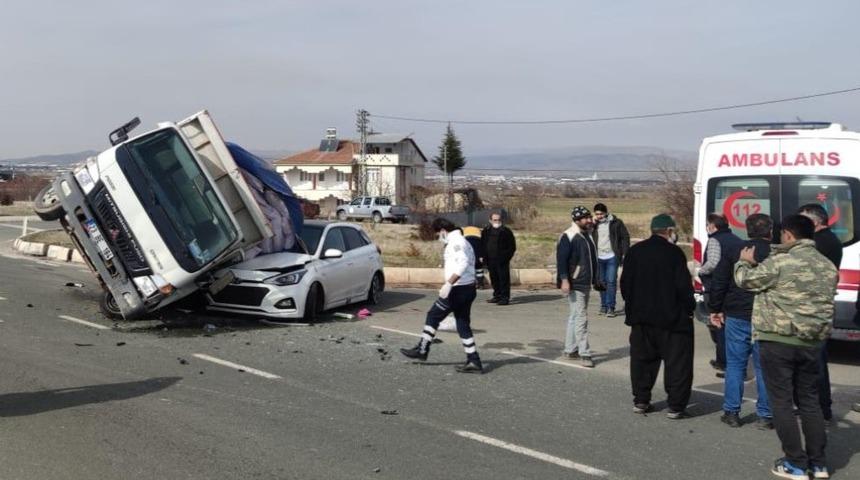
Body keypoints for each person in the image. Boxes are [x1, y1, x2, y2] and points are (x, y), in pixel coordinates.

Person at [734, 214, 837, 479]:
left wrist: (744, 263)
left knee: (781, 403)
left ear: (789, 235)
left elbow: (746, 281)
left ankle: (795, 463)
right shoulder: (827, 266)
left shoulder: (780, 261)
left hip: (778, 340)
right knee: (810, 403)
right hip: (813, 342)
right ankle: (819, 463)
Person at [620, 213, 695, 419]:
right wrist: (689, 309)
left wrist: (633, 306)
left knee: (642, 362)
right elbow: (683, 287)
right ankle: (676, 406)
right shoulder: (674, 254)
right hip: (672, 320)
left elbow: (625, 284)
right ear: (669, 231)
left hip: (641, 319)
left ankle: (641, 400)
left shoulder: (635, 252)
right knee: (677, 364)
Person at [707, 213, 773, 430]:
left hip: (737, 313)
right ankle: (765, 415)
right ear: (770, 231)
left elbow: (720, 282)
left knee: (735, 364)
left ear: (747, 230)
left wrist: (715, 309)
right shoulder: (777, 253)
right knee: (764, 367)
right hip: (766, 315)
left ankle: (732, 412)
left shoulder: (735, 250)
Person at [400, 218, 483, 373]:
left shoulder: (456, 242)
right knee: (462, 323)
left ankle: (423, 349)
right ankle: (474, 360)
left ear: (443, 231)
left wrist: (449, 283)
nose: (439, 237)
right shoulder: (463, 241)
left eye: (438, 233)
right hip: (467, 288)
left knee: (433, 315)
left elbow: (463, 262)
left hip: (458, 290)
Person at [799, 203, 841, 426]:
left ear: (815, 222)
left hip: (814, 309)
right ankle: (819, 407)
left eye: (804, 221)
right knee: (816, 360)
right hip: (820, 307)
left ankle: (820, 409)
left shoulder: (820, 244)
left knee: (814, 363)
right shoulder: (829, 239)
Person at [556, 206, 602, 368]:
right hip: (575, 283)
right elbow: (561, 261)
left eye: (589, 217)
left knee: (575, 316)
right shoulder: (569, 236)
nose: (589, 220)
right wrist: (564, 280)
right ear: (577, 220)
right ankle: (585, 353)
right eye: (586, 218)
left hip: (585, 281)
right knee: (581, 318)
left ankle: (570, 349)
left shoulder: (586, 234)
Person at [699, 213, 736, 377]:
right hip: (733, 289)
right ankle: (731, 361)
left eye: (708, 225)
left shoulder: (715, 240)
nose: (707, 228)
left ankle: (723, 362)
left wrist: (701, 271)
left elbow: (712, 262)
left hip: (716, 288)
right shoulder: (735, 239)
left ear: (713, 226)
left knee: (719, 326)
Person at [591, 203, 630, 317]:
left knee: (611, 281)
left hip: (612, 256)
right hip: (598, 257)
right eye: (597, 214)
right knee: (601, 282)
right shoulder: (593, 224)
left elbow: (625, 237)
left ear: (606, 213)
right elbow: (584, 234)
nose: (599, 216)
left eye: (601, 214)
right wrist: (592, 223)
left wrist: (625, 253)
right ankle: (603, 305)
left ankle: (611, 307)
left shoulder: (616, 223)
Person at [482, 212, 516, 305]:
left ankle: (505, 298)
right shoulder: (486, 230)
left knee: (503, 279)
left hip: (502, 260)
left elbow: (512, 247)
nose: (497, 222)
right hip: (490, 259)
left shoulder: (506, 231)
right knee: (494, 278)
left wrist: (506, 257)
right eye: (495, 220)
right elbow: (483, 244)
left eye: (499, 220)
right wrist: (483, 257)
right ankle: (497, 296)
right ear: (490, 220)